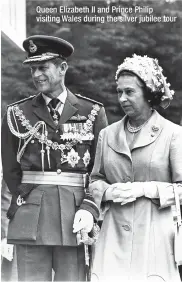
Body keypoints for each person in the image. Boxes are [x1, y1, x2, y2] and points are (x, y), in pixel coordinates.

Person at [1, 35, 108, 281]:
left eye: (43, 67)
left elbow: (100, 170)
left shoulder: (92, 112)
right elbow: (9, 172)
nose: (36, 74)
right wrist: (9, 223)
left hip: (75, 215)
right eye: (32, 68)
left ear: (62, 68)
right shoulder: (16, 114)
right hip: (30, 216)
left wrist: (90, 208)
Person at [89, 54, 182, 282]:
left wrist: (144, 189)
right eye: (119, 91)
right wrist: (109, 192)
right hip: (112, 237)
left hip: (155, 238)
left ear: (148, 93)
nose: (122, 98)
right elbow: (95, 180)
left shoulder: (173, 134)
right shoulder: (107, 134)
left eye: (129, 92)